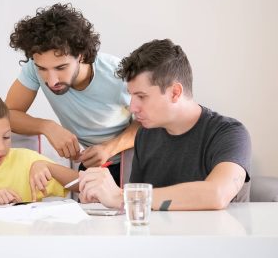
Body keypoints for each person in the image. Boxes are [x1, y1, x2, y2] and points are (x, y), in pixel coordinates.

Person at [78, 39, 251, 211]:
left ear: (175, 92)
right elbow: (138, 208)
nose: (132, 107)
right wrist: (100, 201)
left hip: (215, 237)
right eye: (131, 96)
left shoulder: (229, 133)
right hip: (158, 237)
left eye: (142, 96)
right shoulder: (144, 135)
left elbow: (217, 194)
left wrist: (121, 197)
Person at [6, 3, 140, 187]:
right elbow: (9, 114)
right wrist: (47, 127)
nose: (51, 81)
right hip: (90, 166)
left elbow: (150, 122)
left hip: (135, 162)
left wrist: (110, 148)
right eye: (42, 69)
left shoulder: (119, 74)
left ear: (81, 56)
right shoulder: (33, 68)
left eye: (61, 68)